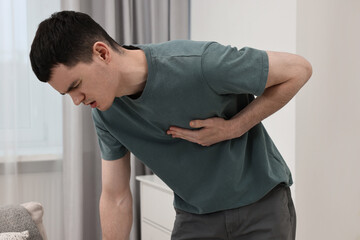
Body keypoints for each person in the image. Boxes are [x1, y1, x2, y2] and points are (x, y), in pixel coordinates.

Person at [30, 11, 312, 240]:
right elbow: (115, 195)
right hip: (195, 217)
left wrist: (234, 127)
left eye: (76, 86)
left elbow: (298, 70)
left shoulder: (199, 63)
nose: (77, 100)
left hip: (261, 208)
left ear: (102, 53)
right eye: (67, 94)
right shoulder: (105, 114)